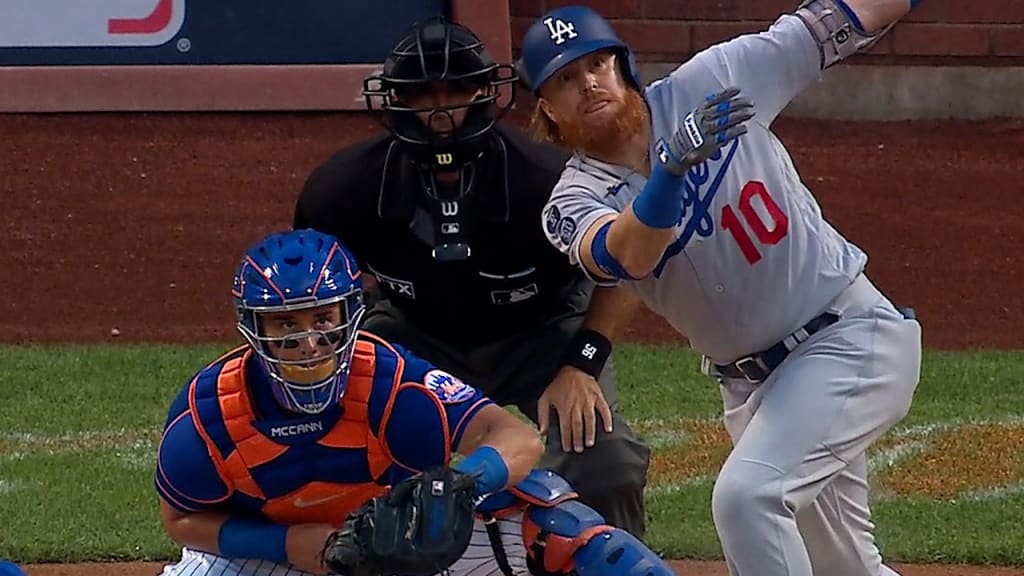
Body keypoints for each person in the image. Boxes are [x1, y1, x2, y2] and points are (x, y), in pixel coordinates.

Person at [518, 3, 924, 576]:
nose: (587, 83)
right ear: (547, 110)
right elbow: (624, 256)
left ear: (623, 67)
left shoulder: (711, 82)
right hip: (756, 394)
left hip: (847, 337)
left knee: (747, 498)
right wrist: (669, 172)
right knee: (843, 568)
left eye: (597, 64)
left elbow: (835, 21)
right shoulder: (571, 201)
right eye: (564, 79)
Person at [293, 15, 650, 537]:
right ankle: (363, 558)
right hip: (416, 333)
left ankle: (613, 565)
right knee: (341, 445)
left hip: (544, 332)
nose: (440, 111)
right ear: (395, 99)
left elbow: (623, 270)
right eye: (422, 93)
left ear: (485, 92)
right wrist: (348, 362)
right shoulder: (340, 190)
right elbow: (313, 287)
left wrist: (582, 363)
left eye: (456, 90)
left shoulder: (547, 179)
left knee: (606, 458)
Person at [154, 229, 674, 576]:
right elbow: (181, 522)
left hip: (395, 543)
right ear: (255, 329)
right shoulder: (209, 416)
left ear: (348, 316)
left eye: (322, 319)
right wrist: (290, 547)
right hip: (269, 552)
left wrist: (463, 486)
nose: (309, 341)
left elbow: (515, 438)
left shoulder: (389, 381)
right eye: (286, 324)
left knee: (560, 524)